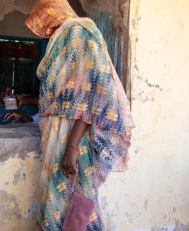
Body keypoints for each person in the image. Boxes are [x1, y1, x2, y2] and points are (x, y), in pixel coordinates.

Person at [25, 0, 134, 230]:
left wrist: (72, 148)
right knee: (63, 202)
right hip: (56, 135)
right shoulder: (61, 39)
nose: (45, 30)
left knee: (75, 202)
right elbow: (62, 97)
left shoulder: (77, 33)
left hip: (72, 138)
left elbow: (95, 92)